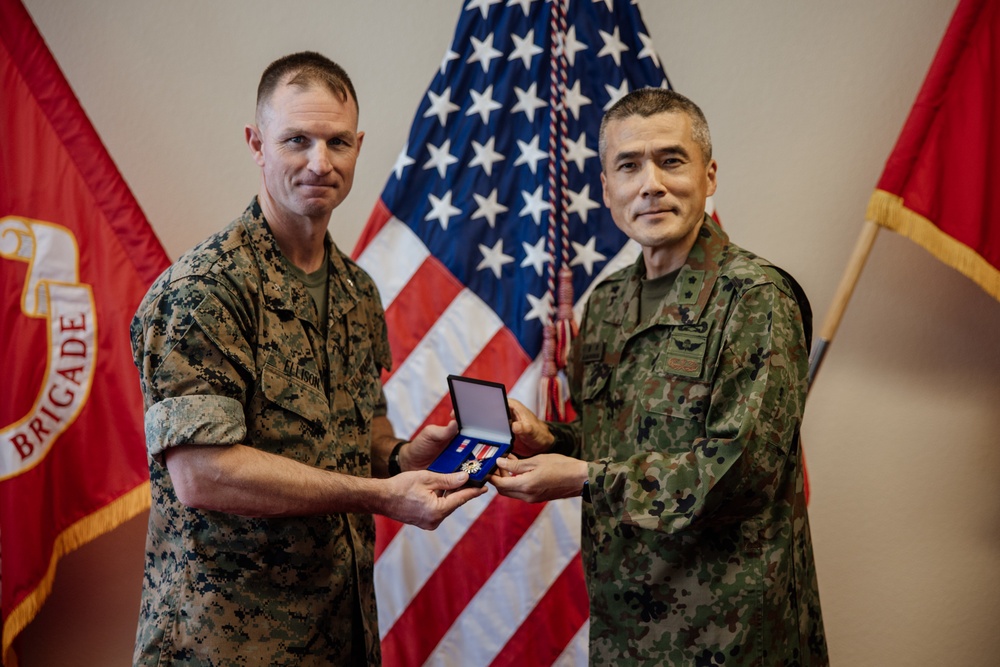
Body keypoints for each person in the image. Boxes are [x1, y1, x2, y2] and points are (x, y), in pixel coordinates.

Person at [129, 51, 486, 666]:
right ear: (256, 143)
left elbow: (359, 432)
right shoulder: (204, 291)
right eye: (296, 140)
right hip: (227, 645)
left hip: (340, 633)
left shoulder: (356, 289)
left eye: (337, 142)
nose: (320, 163)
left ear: (357, 146)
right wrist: (378, 496)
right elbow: (200, 473)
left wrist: (401, 457)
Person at [490, 88, 828, 665]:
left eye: (671, 160)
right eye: (628, 165)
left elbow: (741, 470)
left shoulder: (754, 296)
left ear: (709, 174)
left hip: (732, 637)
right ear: (606, 188)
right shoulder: (607, 304)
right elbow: (617, 437)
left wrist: (585, 478)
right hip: (626, 629)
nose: (650, 183)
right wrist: (553, 439)